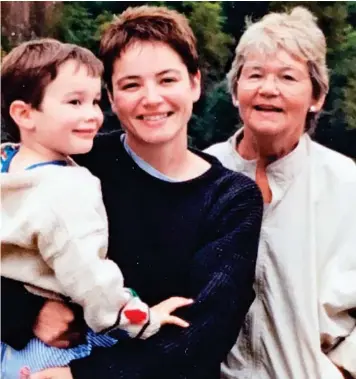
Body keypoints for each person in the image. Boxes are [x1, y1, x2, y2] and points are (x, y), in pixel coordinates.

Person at [1, 6, 263, 379]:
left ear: (195, 84)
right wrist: (24, 313)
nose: (151, 98)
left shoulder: (231, 199)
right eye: (131, 84)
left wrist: (77, 377)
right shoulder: (75, 165)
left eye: (167, 80)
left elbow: (204, 335)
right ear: (110, 96)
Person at [0, 38, 194, 378]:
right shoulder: (67, 187)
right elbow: (90, 277)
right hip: (54, 352)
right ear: (24, 114)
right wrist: (140, 319)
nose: (92, 115)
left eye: (94, 101)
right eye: (74, 102)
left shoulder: (8, 166)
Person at [205, 6, 356, 379]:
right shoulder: (203, 173)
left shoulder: (345, 182)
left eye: (288, 77)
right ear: (236, 91)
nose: (268, 89)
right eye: (254, 75)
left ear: (316, 97)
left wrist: (343, 369)